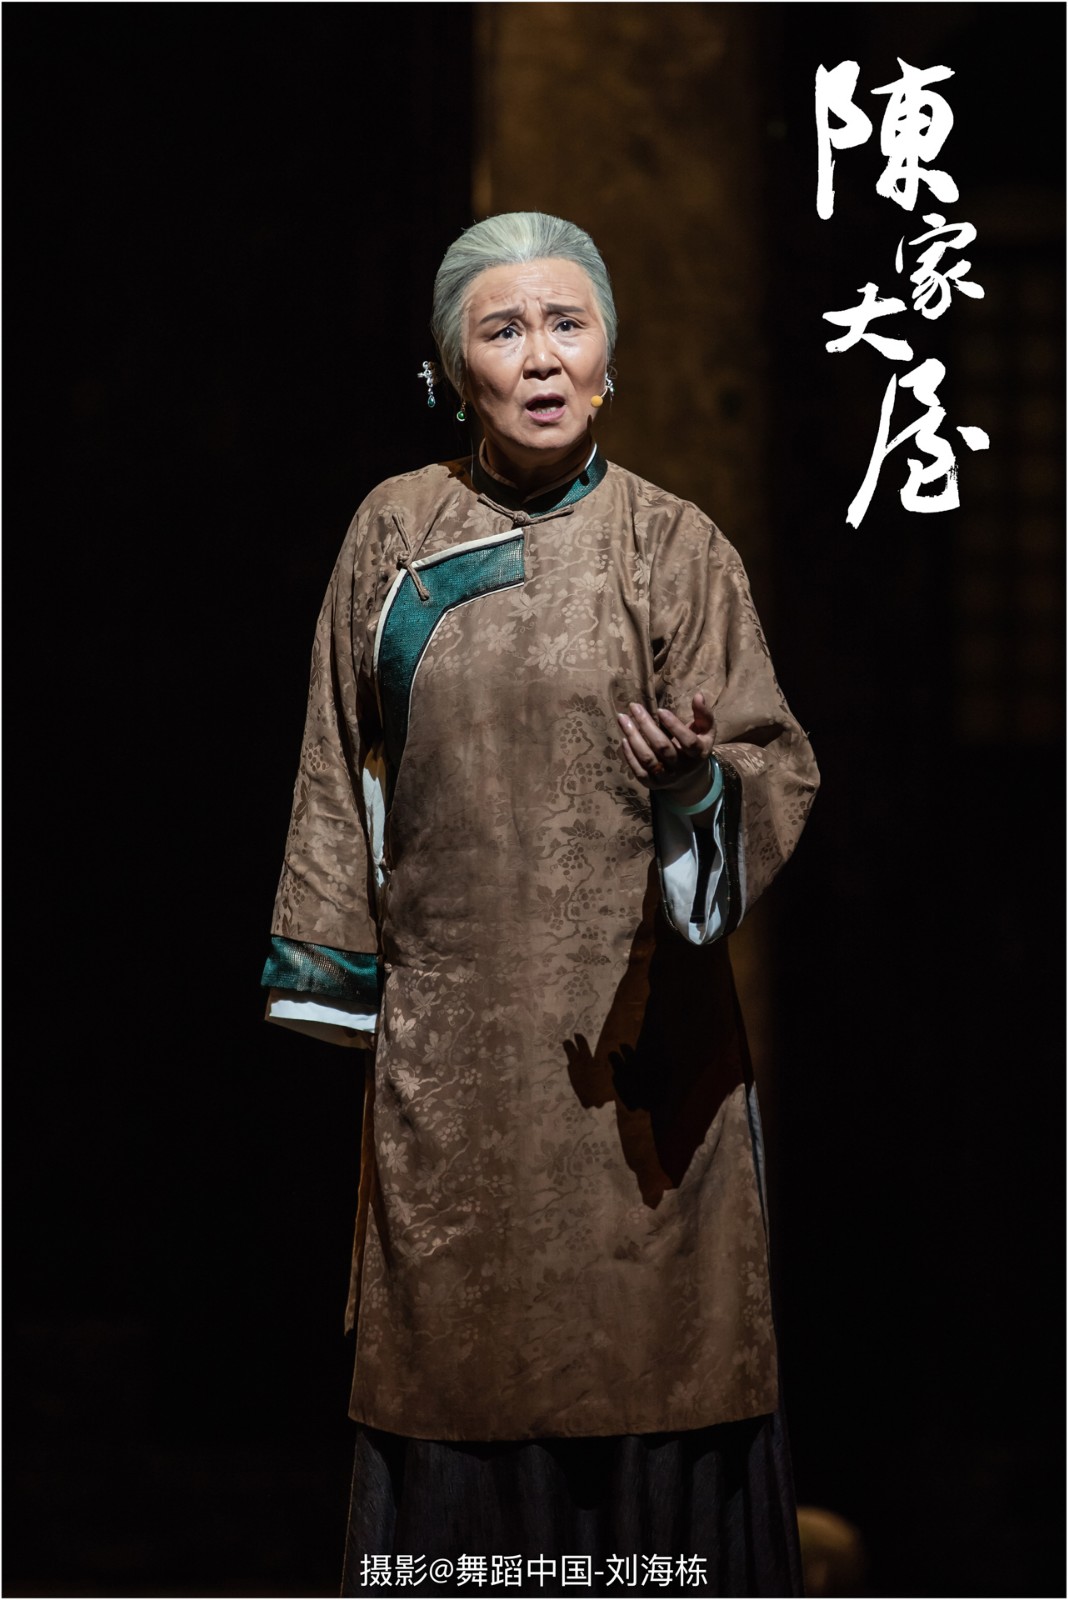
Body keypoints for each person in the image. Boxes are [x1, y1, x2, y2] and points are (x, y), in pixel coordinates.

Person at [261, 211, 819, 1597]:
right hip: (453, 1072)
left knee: (655, 1374)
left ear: (610, 356)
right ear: (453, 368)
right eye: (503, 330)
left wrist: (694, 787)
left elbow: (769, 760)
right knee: (457, 1378)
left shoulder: (673, 547)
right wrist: (333, 969)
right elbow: (339, 761)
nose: (542, 357)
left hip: (645, 1073)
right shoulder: (396, 530)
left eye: (567, 324)